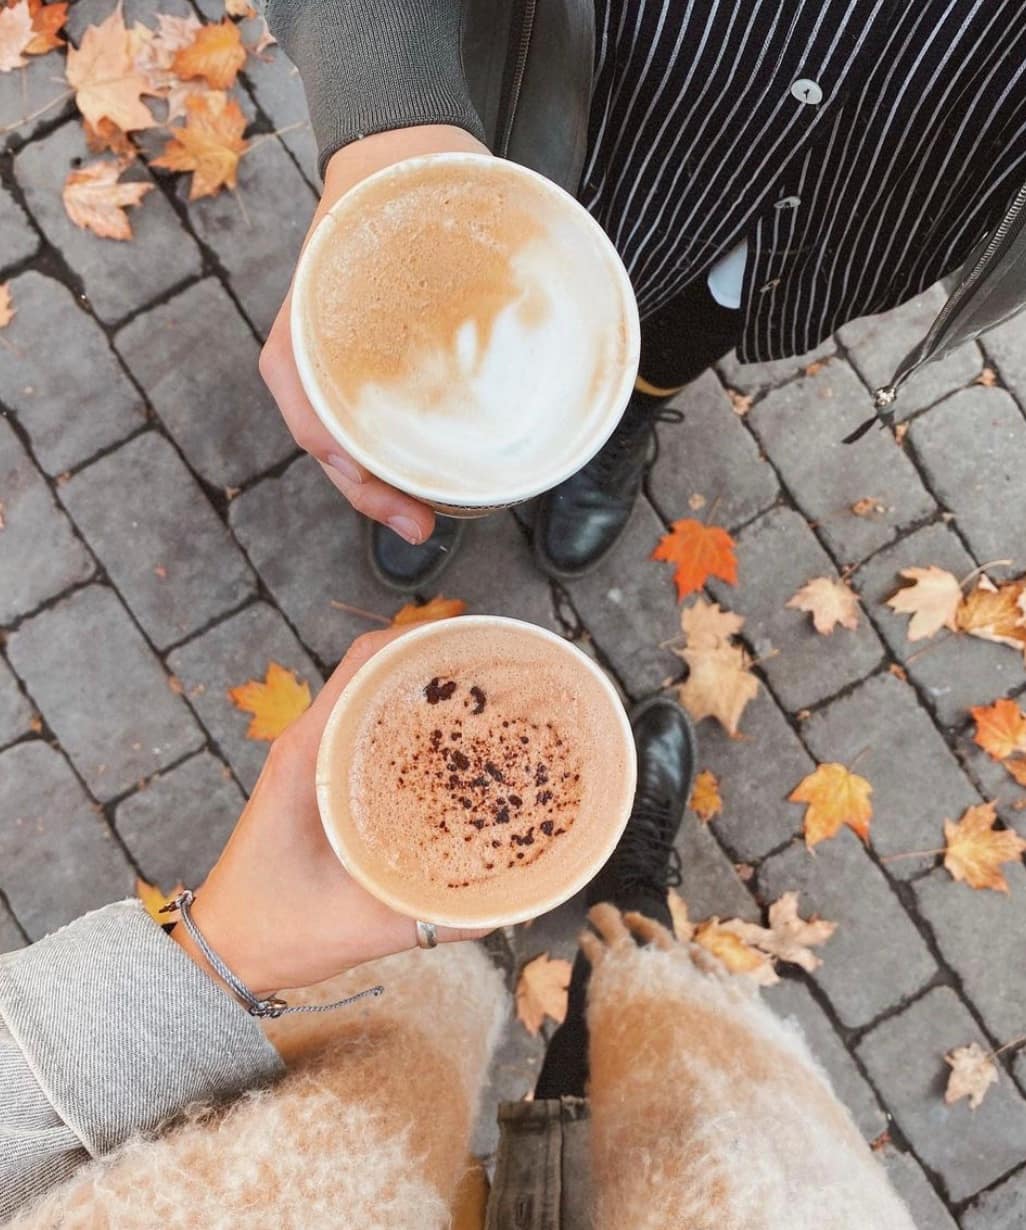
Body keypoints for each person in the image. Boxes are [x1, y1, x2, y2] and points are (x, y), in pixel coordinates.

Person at [0, 630, 915, 1229]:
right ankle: (626, 914)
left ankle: (560, 910)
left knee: (421, 1015)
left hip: (319, 1174)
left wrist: (222, 955)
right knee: (693, 1117)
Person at [259, 1, 1026, 593]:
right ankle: (434, 467)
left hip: (918, 163)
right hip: (604, 79)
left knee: (725, 296)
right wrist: (385, 97)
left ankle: (622, 413)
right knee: (475, 270)